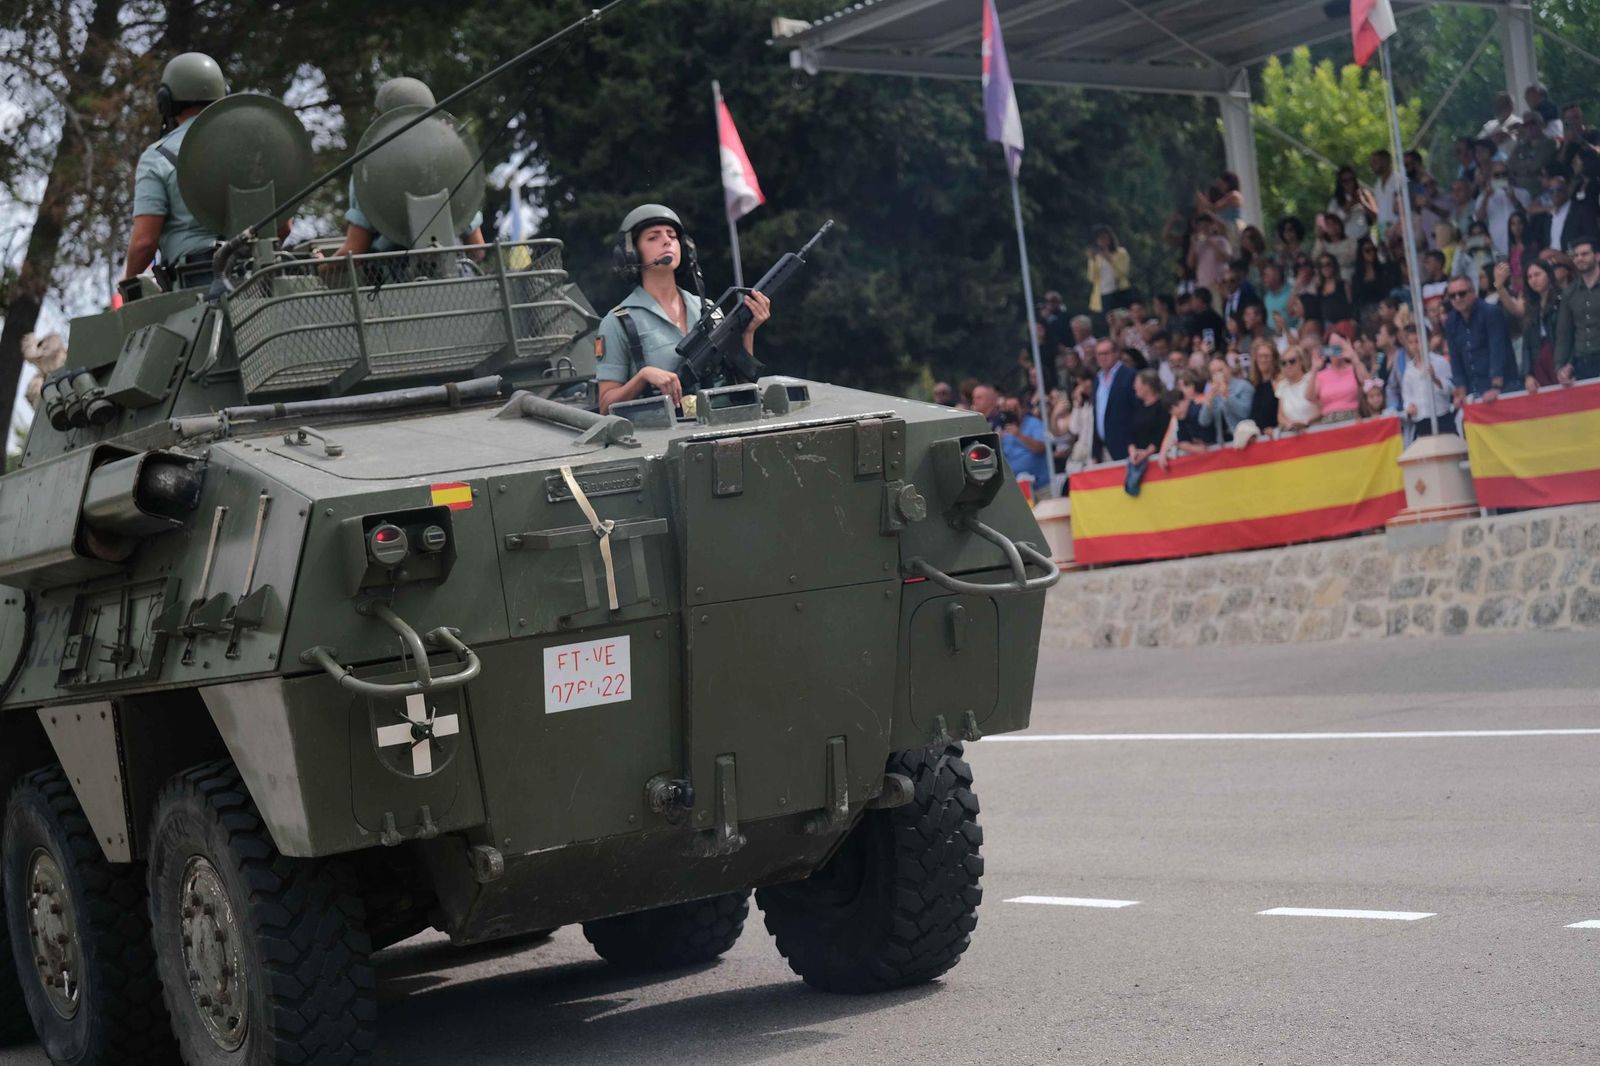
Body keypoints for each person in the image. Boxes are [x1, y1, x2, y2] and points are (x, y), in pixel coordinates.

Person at [595, 204, 770, 413]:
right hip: (659, 439)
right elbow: (605, 406)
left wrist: (748, 331)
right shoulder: (618, 323)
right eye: (653, 237)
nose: (667, 241)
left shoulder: (708, 310)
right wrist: (643, 376)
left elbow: (742, 385)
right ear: (631, 255)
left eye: (672, 235)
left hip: (721, 429)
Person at [331, 78, 485, 260]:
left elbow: (355, 251)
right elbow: (477, 250)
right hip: (456, 279)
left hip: (393, 282)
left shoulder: (371, 170)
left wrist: (321, 267)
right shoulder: (455, 165)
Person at [122, 52, 230, 288]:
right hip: (258, 283)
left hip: (194, 287)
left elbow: (144, 243)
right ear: (224, 94)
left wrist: (127, 285)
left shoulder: (157, 156)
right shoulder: (250, 146)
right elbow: (284, 226)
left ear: (166, 102)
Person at [1442, 274, 1512, 403]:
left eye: (1462, 293)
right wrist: (1461, 391)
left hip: (1502, 388)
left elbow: (1498, 350)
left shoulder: (1491, 313)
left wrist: (1496, 387)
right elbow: (1455, 357)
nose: (1457, 298)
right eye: (1452, 296)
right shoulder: (1450, 322)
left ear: (1473, 292)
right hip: (1473, 392)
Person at [1555, 236, 1600, 383]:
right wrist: (1561, 367)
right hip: (1582, 363)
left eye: (1585, 254)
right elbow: (1564, 332)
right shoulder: (1569, 292)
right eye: (1575, 255)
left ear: (1597, 256)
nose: (1579, 258)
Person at [1398, 323, 1455, 437]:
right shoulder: (1409, 370)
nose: (1415, 346)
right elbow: (1407, 395)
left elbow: (1450, 388)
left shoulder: (1439, 362)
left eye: (1417, 341)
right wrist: (1409, 406)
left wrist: (1434, 379)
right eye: (1411, 343)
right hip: (1421, 419)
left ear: (1426, 341)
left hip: (1441, 415)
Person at [994, 392, 1052, 497]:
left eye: (1015, 408)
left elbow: (1040, 448)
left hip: (1040, 487)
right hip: (1018, 489)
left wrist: (1019, 435)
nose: (1012, 412)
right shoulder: (1003, 430)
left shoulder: (1034, 423)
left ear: (1023, 409)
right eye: (1008, 409)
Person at [1091, 338, 1138, 462]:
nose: (1102, 357)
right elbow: (1097, 415)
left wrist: (1131, 443)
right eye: (1099, 354)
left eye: (1106, 353)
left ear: (1116, 353)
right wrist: (1095, 452)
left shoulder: (1129, 376)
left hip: (1126, 446)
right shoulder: (1097, 379)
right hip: (1104, 448)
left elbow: (1135, 411)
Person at [1475, 161, 1531, 255]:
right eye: (1497, 175)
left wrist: (1513, 199)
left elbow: (1527, 216)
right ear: (1490, 177)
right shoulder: (1482, 197)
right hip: (1497, 245)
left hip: (1520, 245)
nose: (1501, 178)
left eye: (1504, 174)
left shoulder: (1523, 193)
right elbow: (1479, 220)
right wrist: (1486, 197)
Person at [1198, 355, 1254, 445]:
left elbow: (1245, 413)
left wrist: (1227, 396)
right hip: (1224, 443)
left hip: (1245, 440)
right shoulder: (1213, 393)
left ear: (1228, 368)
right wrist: (1209, 400)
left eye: (1220, 370)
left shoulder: (1244, 386)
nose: (1218, 375)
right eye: (1213, 373)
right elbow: (1203, 421)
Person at [1086, 226, 1134, 313]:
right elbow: (1091, 278)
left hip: (1119, 291)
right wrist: (1092, 261)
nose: (1102, 241)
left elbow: (1123, 273)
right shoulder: (1096, 257)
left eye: (1105, 238)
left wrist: (1109, 259)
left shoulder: (1121, 253)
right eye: (1100, 239)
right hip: (1103, 293)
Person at [1275, 344, 1320, 433]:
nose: (1288, 365)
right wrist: (1290, 425)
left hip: (1314, 431)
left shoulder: (1311, 379)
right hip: (1292, 435)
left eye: (1292, 361)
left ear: (1301, 361)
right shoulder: (1282, 386)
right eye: (1284, 363)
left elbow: (1321, 409)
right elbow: (1280, 416)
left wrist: (1305, 422)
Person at [1247, 339, 1280, 432]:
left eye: (1266, 356)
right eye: (1260, 356)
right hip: (1260, 437)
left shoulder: (1279, 382)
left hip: (1276, 434)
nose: (1263, 360)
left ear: (1274, 359)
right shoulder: (1255, 385)